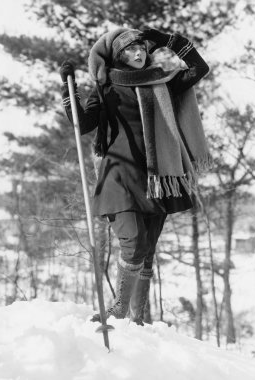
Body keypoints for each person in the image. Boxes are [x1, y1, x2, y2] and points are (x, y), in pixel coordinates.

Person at [59, 27, 211, 325]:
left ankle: (137, 319)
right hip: (119, 176)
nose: (139, 53)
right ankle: (117, 311)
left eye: (142, 47)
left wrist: (169, 40)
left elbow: (198, 67)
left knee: (148, 248)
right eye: (130, 50)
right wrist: (68, 88)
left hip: (158, 176)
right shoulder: (106, 88)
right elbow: (83, 123)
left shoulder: (163, 82)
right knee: (134, 241)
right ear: (118, 56)